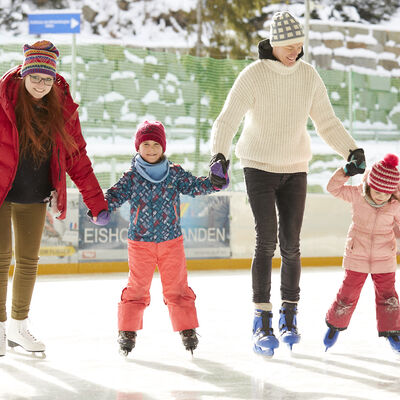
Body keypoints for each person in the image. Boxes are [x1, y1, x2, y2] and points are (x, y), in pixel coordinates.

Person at [208, 11, 366, 357]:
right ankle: (261, 318)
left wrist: (351, 150)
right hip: (258, 166)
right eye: (290, 46)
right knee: (266, 240)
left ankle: (289, 316)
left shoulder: (308, 76)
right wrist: (219, 156)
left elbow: (326, 120)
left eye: (300, 46)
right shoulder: (254, 75)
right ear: (275, 44)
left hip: (295, 167)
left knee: (291, 244)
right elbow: (228, 117)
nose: (296, 52)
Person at [0, 41, 109, 356]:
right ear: (24, 74)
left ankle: (19, 327)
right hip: (2, 192)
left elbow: (78, 158)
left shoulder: (62, 108)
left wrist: (96, 203)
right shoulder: (4, 99)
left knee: (29, 261)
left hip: (34, 194)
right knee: (0, 257)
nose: (40, 85)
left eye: (47, 79)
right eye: (35, 77)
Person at [100, 120, 228, 356]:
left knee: (177, 287)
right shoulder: (131, 177)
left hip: (171, 241)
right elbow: (114, 195)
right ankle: (127, 331)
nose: (150, 149)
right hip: (140, 243)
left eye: (155, 144)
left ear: (163, 147)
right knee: (137, 287)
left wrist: (215, 182)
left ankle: (187, 328)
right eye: (145, 144)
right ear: (138, 147)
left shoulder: (174, 173)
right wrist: (99, 208)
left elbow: (195, 186)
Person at [324, 154, 400, 354]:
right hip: (357, 255)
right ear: (369, 183)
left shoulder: (395, 205)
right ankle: (334, 326)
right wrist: (346, 172)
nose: (381, 196)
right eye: (378, 190)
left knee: (388, 297)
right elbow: (333, 188)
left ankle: (393, 331)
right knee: (347, 294)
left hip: (384, 258)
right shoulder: (358, 194)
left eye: (386, 192)